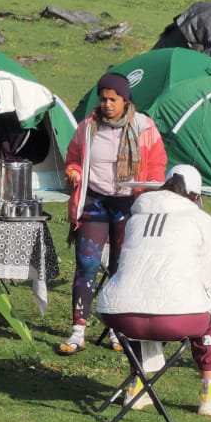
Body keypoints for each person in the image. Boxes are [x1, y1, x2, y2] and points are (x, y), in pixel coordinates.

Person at [98, 165, 211, 418]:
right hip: (177, 318)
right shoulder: (201, 219)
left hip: (117, 313)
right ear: (195, 195)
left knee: (142, 300)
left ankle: (137, 386)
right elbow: (208, 279)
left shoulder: (135, 217)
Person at [60, 72, 167, 355]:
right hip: (94, 202)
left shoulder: (144, 128)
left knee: (122, 269)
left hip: (128, 203)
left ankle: (118, 331)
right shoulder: (87, 127)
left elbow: (157, 166)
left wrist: (148, 192)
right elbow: (72, 158)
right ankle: (77, 330)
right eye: (103, 99)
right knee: (86, 264)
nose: (107, 104)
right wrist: (74, 171)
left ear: (124, 99)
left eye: (113, 99)